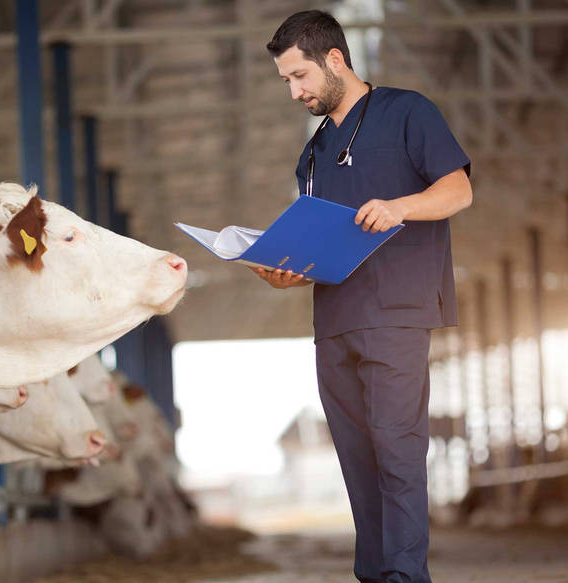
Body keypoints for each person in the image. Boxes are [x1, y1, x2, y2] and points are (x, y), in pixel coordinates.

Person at [258, 10, 473, 583]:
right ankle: (375, 576)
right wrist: (288, 272)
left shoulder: (407, 111)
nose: (294, 91)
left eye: (299, 75)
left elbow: (459, 189)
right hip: (333, 320)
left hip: (397, 312)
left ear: (335, 59)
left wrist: (400, 206)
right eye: (286, 81)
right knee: (357, 458)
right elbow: (320, 241)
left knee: (397, 451)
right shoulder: (310, 155)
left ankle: (406, 578)